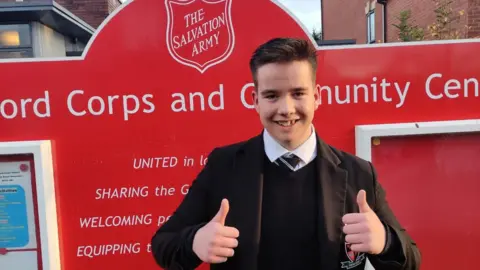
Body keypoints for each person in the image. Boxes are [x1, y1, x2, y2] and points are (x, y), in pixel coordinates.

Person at [150, 37, 421, 270]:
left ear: (316, 96)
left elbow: (411, 259)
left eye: (298, 93)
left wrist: (384, 241)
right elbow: (163, 244)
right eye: (272, 96)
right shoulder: (223, 166)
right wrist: (195, 242)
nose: (286, 108)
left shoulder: (359, 173)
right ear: (255, 100)